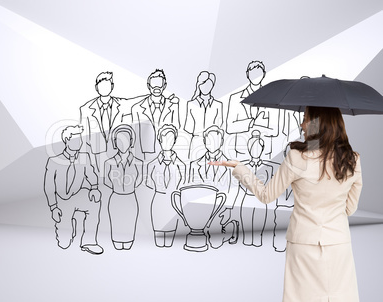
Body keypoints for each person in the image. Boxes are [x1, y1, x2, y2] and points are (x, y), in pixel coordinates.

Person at [209, 106, 362, 301]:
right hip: (338, 243)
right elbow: (350, 208)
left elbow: (266, 195)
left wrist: (240, 168)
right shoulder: (353, 160)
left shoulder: (298, 158)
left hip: (303, 243)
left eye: (306, 119)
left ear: (316, 123)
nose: (302, 124)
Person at [43, 125, 103, 255]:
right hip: (62, 199)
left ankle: (89, 241)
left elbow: (91, 174)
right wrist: (53, 207)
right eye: (75, 139)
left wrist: (94, 188)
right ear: (67, 140)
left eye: (80, 139)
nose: (79, 142)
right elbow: (49, 185)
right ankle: (67, 232)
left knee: (94, 202)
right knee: (64, 243)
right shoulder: (54, 160)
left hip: (78, 194)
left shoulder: (84, 157)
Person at [103, 124, 144, 250]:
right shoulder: (108, 162)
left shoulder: (139, 162)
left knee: (129, 222)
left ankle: (128, 241)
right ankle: (116, 240)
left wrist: (129, 188)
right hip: (115, 197)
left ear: (131, 141)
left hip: (131, 197)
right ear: (115, 142)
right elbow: (106, 181)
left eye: (126, 139)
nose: (123, 143)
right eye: (119, 140)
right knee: (117, 222)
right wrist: (118, 188)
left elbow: (140, 179)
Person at [131, 69, 180, 160]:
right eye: (153, 86)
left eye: (159, 86)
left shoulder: (173, 106)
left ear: (164, 86)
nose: (156, 89)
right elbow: (135, 133)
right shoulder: (137, 108)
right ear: (148, 86)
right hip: (145, 152)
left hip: (166, 151)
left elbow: (177, 127)